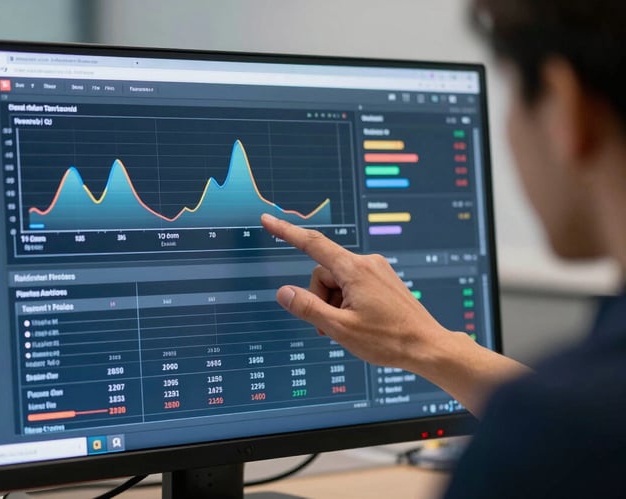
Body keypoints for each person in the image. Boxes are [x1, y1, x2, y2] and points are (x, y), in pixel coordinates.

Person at [261, 0, 626, 497]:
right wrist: (423, 344)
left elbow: (567, 422)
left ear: (565, 106)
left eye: (515, 96)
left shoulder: (552, 442)